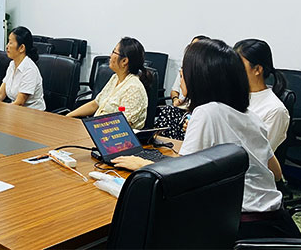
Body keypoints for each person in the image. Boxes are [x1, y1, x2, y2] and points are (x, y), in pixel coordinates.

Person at [114, 39, 301, 240]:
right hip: (277, 223)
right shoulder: (249, 115)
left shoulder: (207, 112)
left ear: (200, 76)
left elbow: (179, 181)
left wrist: (143, 164)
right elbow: (275, 172)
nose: (180, 75)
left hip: (243, 227)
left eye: (184, 70)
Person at [67, 37, 151, 129]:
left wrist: (92, 128)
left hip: (115, 135)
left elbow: (123, 125)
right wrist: (68, 116)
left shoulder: (134, 88)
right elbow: (95, 104)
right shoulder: (115, 78)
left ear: (124, 61)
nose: (110, 55)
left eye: (114, 52)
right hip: (98, 129)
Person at [235, 39, 289, 151]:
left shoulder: (276, 111)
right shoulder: (233, 95)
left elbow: (259, 154)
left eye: (238, 65)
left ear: (257, 69)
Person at [155, 34, 210, 139]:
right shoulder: (185, 69)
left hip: (190, 112)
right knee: (168, 111)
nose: (181, 81)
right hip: (181, 109)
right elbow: (174, 91)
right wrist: (176, 99)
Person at [0, 26, 45, 110]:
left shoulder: (29, 69)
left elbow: (19, 103)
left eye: (10, 43)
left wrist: (2, 111)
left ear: (21, 48)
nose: (7, 46)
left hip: (31, 113)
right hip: (14, 110)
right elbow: (0, 95)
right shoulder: (12, 64)